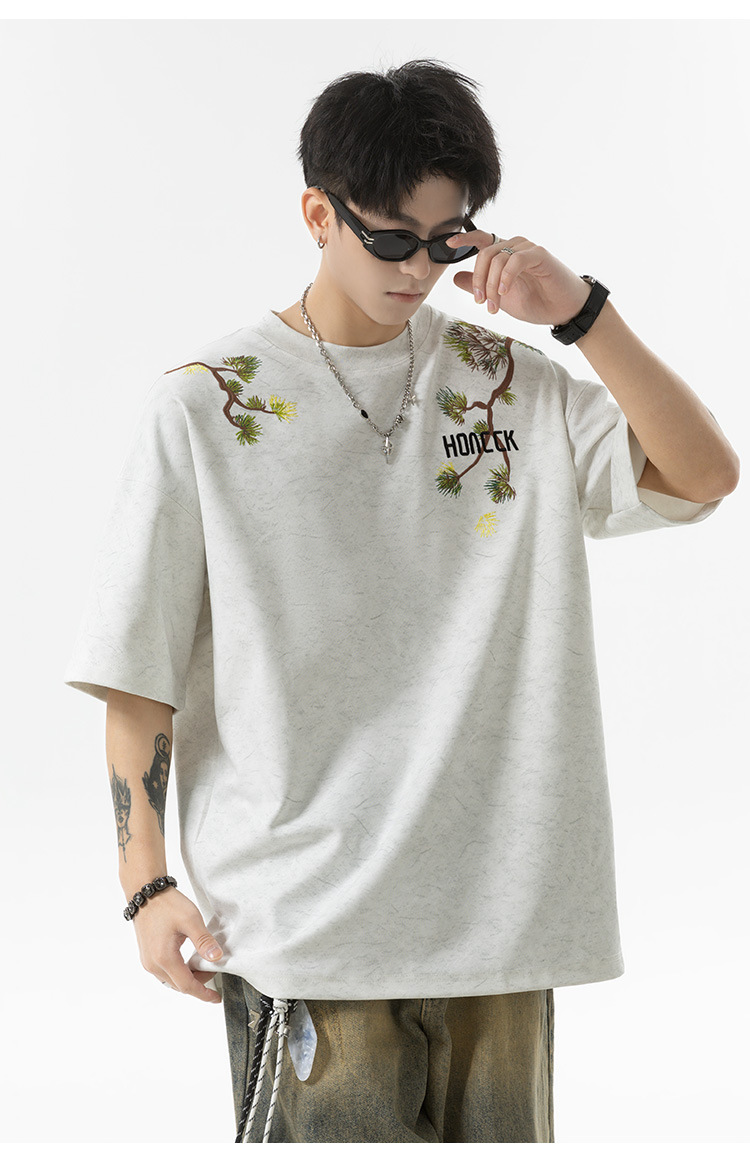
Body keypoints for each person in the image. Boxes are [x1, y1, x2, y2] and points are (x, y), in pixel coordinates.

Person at [64, 58, 739, 1144]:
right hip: (304, 927)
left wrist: (580, 312)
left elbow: (704, 474)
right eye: (390, 239)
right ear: (317, 214)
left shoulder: (510, 384)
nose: (419, 267)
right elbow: (137, 674)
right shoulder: (206, 407)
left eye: (447, 239)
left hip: (502, 923)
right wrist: (146, 888)